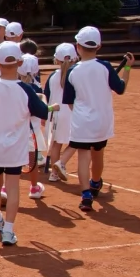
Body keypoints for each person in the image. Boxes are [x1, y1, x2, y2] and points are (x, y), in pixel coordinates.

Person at [0, 42, 58, 246]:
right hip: (15, 147)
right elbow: (42, 111)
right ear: (20, 62)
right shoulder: (26, 90)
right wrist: (52, 107)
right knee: (12, 187)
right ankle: (8, 230)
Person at [63, 26, 133, 213]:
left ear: (77, 46)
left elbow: (69, 102)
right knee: (98, 153)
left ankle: (86, 194)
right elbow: (121, 88)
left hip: (82, 121)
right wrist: (127, 67)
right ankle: (95, 183)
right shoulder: (105, 67)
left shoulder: (72, 71)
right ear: (98, 46)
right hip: (102, 120)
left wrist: (80, 113)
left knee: (83, 157)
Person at [45, 43, 78, 183]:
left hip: (55, 114)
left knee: (56, 144)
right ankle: (61, 163)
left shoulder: (53, 76)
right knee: (79, 142)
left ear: (56, 60)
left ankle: (54, 174)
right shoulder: (76, 74)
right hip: (72, 113)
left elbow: (46, 95)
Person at [19, 52, 47, 200]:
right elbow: (41, 111)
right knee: (33, 161)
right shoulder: (38, 90)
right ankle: (34, 187)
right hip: (32, 131)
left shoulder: (13, 86)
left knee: (11, 161)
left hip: (14, 130)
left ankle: (4, 188)